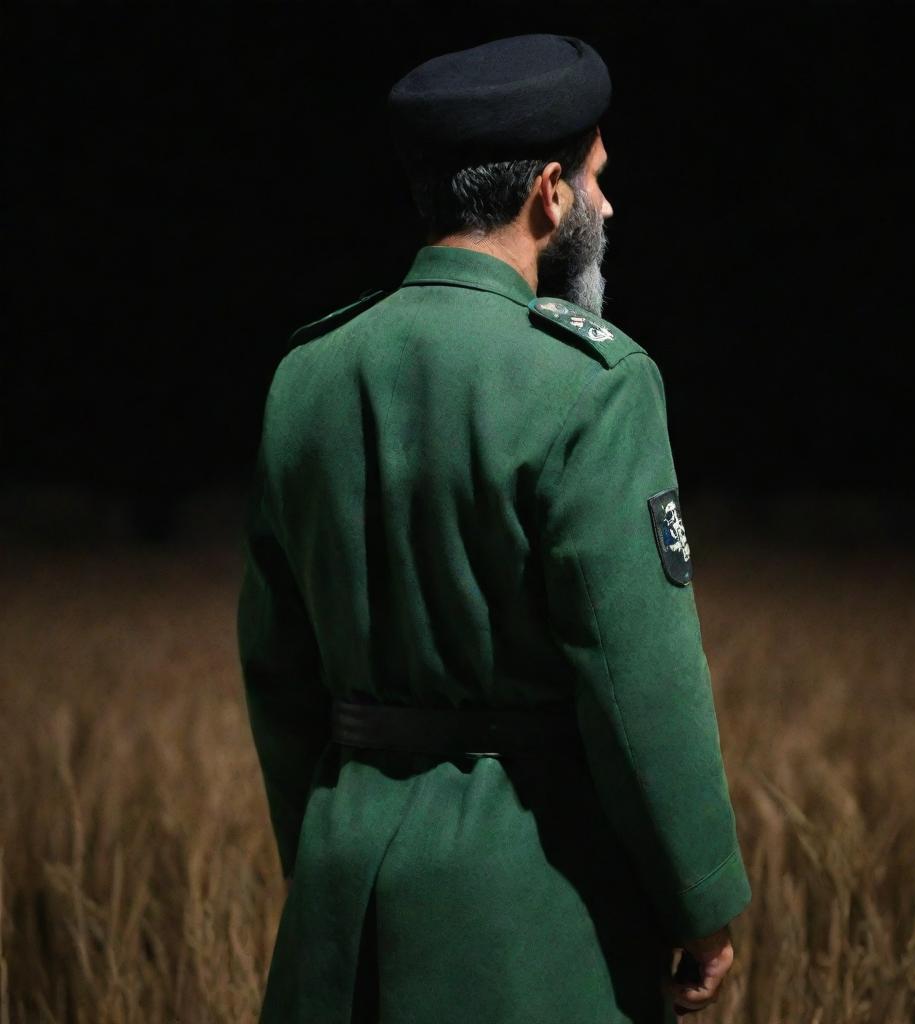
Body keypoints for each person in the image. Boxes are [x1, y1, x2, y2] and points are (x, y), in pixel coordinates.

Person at [236, 33, 751, 1024]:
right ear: (549, 195)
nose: (607, 208)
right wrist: (701, 900)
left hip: (339, 918)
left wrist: (329, 849)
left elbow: (276, 666)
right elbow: (639, 676)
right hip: (531, 924)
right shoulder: (591, 386)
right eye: (597, 181)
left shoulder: (306, 374)